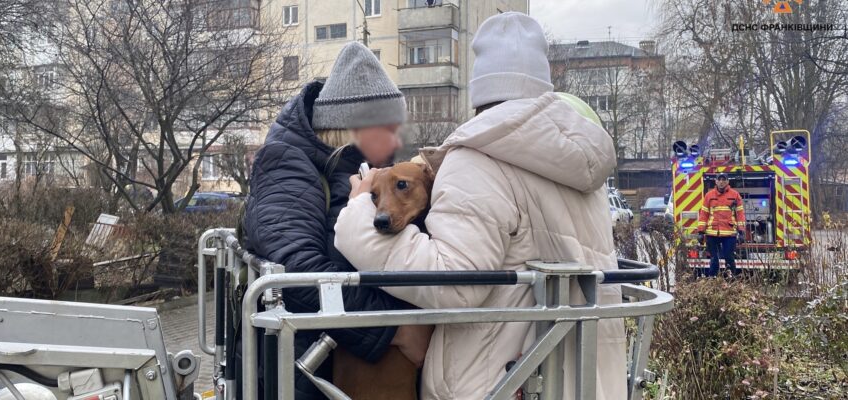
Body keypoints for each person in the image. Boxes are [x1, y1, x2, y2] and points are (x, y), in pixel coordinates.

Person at [334, 12, 626, 400]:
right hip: (583, 379)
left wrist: (356, 216)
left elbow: (456, 283)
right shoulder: (580, 165)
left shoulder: (477, 160)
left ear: (479, 89)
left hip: (498, 383)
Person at [242, 42, 430, 399]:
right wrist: (396, 330)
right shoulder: (286, 163)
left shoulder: (357, 169)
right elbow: (296, 272)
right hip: (308, 372)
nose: (396, 140)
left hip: (342, 368)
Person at [698, 173, 746, 277]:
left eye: (724, 180)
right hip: (712, 233)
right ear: (716, 181)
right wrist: (701, 232)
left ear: (728, 182)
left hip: (729, 233)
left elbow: (740, 214)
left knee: (729, 257)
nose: (721, 182)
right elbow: (704, 214)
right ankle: (713, 280)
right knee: (714, 259)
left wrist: (741, 231)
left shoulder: (735, 195)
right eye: (719, 180)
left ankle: (731, 280)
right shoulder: (709, 195)